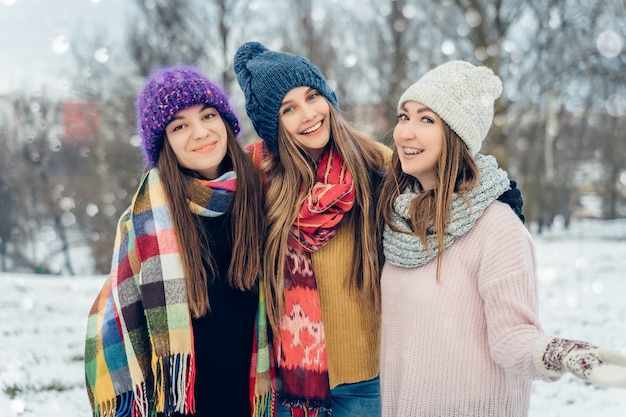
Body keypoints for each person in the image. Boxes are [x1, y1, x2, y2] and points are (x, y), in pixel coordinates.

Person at [377, 60, 626, 417]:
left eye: (426, 119)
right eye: (404, 116)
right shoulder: (399, 220)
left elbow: (512, 339)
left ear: (456, 136)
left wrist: (560, 353)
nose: (405, 133)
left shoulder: (496, 227)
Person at [83, 66, 272, 417]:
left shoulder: (265, 196)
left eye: (208, 115)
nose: (200, 132)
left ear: (227, 123)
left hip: (258, 401)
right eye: (180, 126)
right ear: (164, 143)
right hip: (180, 405)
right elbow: (126, 327)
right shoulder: (145, 222)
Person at [234, 41, 389, 417]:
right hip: (291, 382)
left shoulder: (377, 163)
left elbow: (439, 194)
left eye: (312, 96)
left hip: (367, 377)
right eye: (288, 109)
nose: (308, 114)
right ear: (273, 125)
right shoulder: (257, 176)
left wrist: (495, 194)